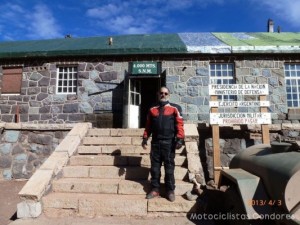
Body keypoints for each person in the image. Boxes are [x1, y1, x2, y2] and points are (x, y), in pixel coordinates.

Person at [142, 86, 185, 202]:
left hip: (169, 143)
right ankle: (155, 189)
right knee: (155, 169)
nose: (163, 95)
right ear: (158, 94)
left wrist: (180, 139)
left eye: (165, 93)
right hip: (155, 143)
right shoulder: (152, 109)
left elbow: (179, 124)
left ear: (169, 95)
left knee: (169, 169)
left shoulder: (175, 108)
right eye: (161, 93)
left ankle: (170, 190)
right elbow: (148, 125)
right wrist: (145, 137)